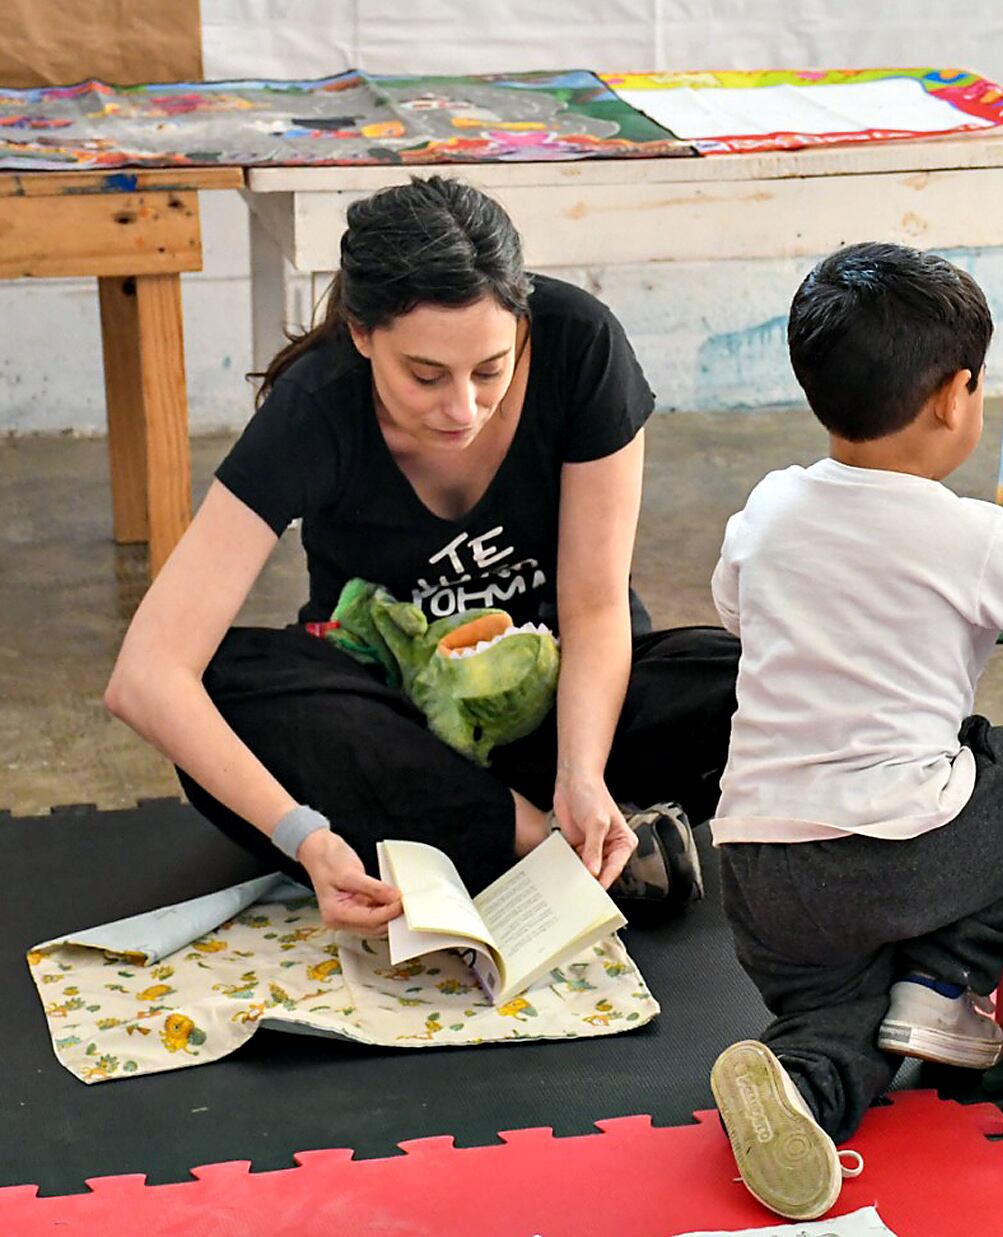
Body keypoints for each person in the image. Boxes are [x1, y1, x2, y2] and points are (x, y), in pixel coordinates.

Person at [104, 177, 738, 931]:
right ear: (363, 334)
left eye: (490, 371)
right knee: (223, 688)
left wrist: (582, 771)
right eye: (425, 376)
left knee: (754, 678)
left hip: (567, 711)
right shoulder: (316, 405)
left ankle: (531, 827)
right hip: (392, 729)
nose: (463, 408)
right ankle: (549, 845)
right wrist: (306, 838)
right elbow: (145, 675)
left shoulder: (580, 345)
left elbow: (595, 603)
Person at [704, 242, 1003, 1220]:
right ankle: (946, 981)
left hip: (763, 875)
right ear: (953, 397)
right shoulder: (966, 532)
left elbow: (734, 605)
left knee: (843, 1017)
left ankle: (802, 1084)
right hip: (895, 858)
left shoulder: (769, 505)